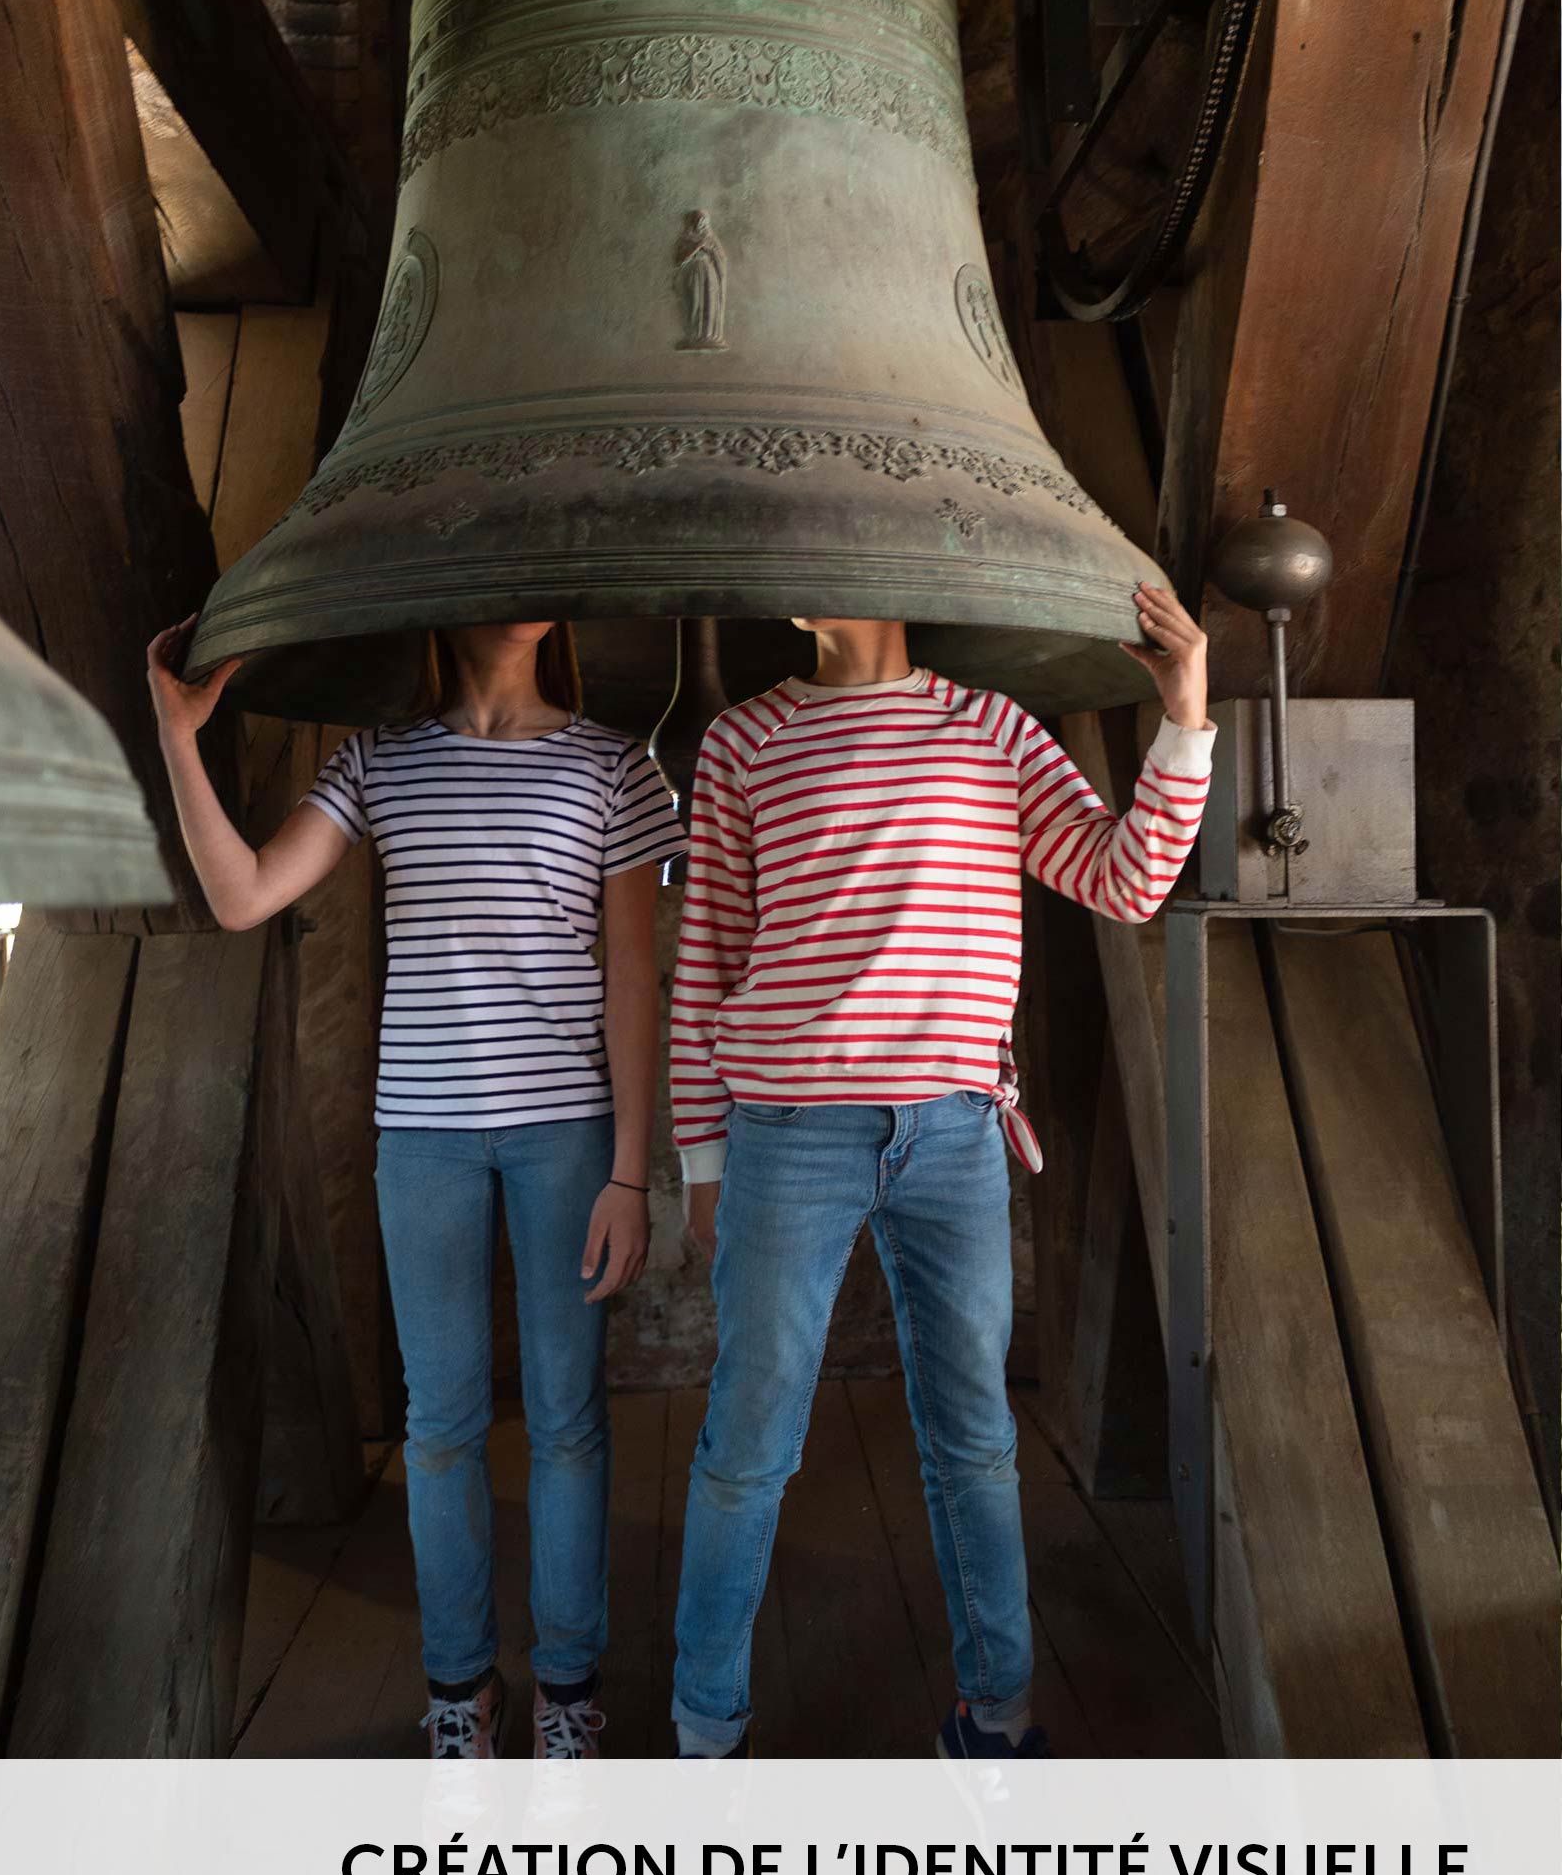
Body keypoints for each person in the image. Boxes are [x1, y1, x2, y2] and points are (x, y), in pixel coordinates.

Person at [667, 583, 1214, 1759]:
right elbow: (706, 952)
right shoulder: (741, 740)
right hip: (783, 1134)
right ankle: (703, 1734)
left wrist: (1182, 713)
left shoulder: (993, 728)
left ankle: (998, 1719)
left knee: (973, 1436)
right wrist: (701, 1157)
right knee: (749, 1442)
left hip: (958, 1134)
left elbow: (1126, 881)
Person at [147, 617, 685, 1761]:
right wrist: (178, 735)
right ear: (437, 601)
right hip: (424, 1138)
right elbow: (243, 895)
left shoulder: (614, 767)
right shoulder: (378, 762)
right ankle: (460, 1694)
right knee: (439, 1429)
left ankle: (569, 1694)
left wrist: (634, 1170)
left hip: (568, 1135)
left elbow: (632, 980)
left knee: (568, 1424)